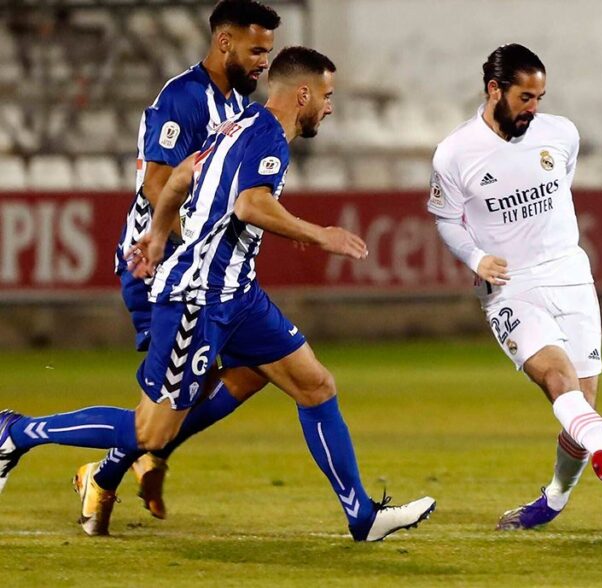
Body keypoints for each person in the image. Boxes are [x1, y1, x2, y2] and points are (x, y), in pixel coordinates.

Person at [0, 46, 435, 543]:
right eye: (328, 96)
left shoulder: (239, 124)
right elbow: (251, 204)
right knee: (151, 433)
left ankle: (362, 516)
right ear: (303, 93)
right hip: (197, 299)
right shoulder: (270, 135)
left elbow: (182, 177)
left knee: (314, 385)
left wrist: (160, 235)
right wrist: (320, 235)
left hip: (238, 296)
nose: (330, 107)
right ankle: (15, 432)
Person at [427, 44, 602, 531]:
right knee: (556, 380)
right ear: (494, 90)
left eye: (540, 97)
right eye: (525, 98)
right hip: (509, 284)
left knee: (581, 405)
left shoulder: (561, 134)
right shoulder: (455, 152)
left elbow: (559, 188)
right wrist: (476, 256)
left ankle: (554, 498)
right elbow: (446, 220)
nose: (534, 108)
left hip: (569, 273)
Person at [83, 0, 280, 537]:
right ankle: (57, 447)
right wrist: (190, 241)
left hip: (202, 271)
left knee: (241, 373)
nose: (265, 60)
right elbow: (156, 183)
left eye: (269, 51)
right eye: (256, 49)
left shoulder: (237, 103)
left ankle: (122, 464)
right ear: (224, 42)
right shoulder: (184, 97)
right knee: (166, 406)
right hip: (160, 263)